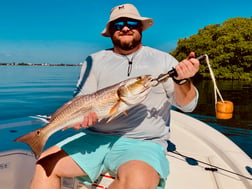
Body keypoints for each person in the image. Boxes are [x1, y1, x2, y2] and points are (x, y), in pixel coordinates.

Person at [29, 3, 200, 189]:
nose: (125, 28)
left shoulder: (165, 60)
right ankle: (43, 137)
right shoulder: (94, 61)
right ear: (110, 31)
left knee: (137, 182)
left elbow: (187, 106)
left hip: (142, 142)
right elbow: (81, 100)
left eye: (132, 23)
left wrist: (182, 81)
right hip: (95, 137)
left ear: (141, 27)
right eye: (118, 25)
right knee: (45, 164)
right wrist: (80, 120)